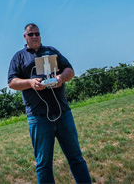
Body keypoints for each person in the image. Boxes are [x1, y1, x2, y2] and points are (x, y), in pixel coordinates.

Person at [8, 23, 92, 184]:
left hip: (62, 112)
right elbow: (12, 82)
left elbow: (69, 70)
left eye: (37, 34)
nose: (35, 37)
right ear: (25, 37)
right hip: (38, 117)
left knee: (76, 157)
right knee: (43, 164)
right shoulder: (19, 57)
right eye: (31, 34)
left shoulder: (51, 51)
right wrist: (31, 83)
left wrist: (60, 78)